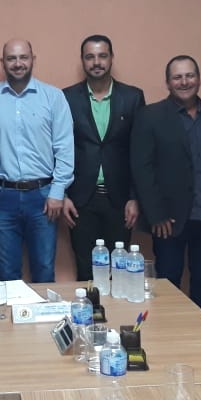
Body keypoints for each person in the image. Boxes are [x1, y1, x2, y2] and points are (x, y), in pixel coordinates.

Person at [131, 56, 201, 315]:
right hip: (168, 220)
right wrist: (155, 214)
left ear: (199, 79)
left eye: (190, 75)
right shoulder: (150, 116)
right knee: (168, 282)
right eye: (177, 77)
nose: (184, 82)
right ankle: (167, 332)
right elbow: (142, 168)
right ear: (168, 83)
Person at [0, 39, 74, 283]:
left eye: (23, 57)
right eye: (11, 58)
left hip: (43, 197)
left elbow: (64, 147)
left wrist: (58, 192)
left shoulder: (53, 97)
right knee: (6, 273)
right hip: (1, 196)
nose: (18, 63)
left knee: (44, 269)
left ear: (33, 60)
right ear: (2, 62)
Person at [61, 35, 145, 281]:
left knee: (119, 271)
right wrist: (62, 194)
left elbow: (139, 151)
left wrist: (135, 197)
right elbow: (60, 148)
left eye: (102, 56)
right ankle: (89, 308)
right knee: (85, 270)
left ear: (111, 58)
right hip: (80, 200)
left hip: (119, 200)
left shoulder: (132, 97)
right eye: (90, 57)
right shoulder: (67, 97)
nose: (96, 62)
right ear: (82, 61)